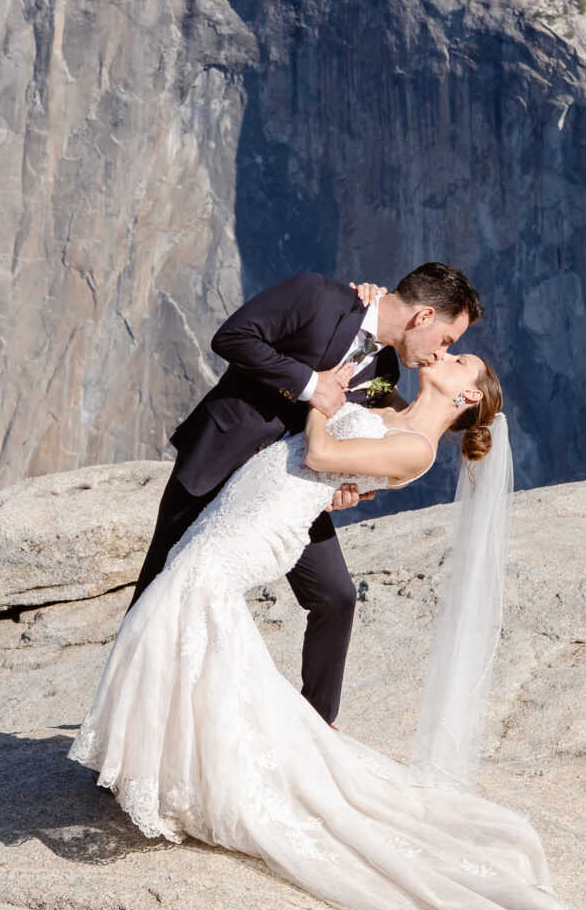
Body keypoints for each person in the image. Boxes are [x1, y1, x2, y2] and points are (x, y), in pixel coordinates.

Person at [71, 345, 586, 910]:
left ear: (466, 396)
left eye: (462, 359)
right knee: (183, 603)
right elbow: (331, 474)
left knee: (186, 598)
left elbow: (323, 453)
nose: (448, 353)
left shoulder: (418, 450)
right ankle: (171, 752)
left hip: (265, 524)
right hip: (254, 501)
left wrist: (321, 398)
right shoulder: (394, 411)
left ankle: (173, 759)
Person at [130, 263, 480, 725]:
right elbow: (232, 338)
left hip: (286, 488)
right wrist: (312, 385)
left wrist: (352, 485)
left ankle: (317, 726)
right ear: (423, 317)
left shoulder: (385, 368)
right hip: (220, 456)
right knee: (161, 585)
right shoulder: (316, 296)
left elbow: (366, 434)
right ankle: (132, 720)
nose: (442, 353)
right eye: (446, 340)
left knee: (336, 596)